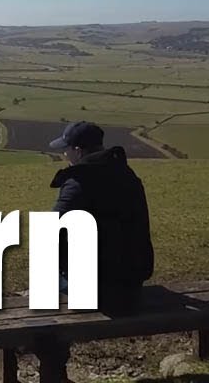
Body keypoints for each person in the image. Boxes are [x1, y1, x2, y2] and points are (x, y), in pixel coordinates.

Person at [47, 120, 154, 313]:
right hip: (131, 286)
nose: (64, 154)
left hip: (97, 291)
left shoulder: (78, 182)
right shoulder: (127, 174)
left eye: (66, 149)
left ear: (78, 151)